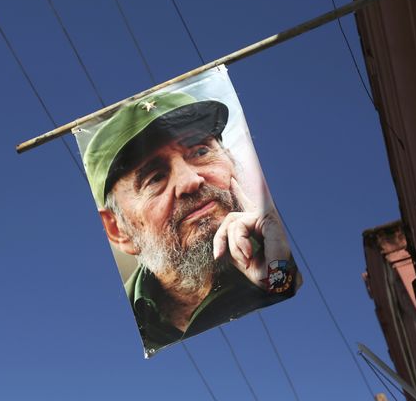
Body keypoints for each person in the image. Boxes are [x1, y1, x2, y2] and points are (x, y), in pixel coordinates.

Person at [83, 91, 299, 355]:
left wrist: (279, 275)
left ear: (230, 160)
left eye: (200, 151)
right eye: (154, 178)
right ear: (119, 231)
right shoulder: (114, 328)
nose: (190, 181)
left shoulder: (283, 251)